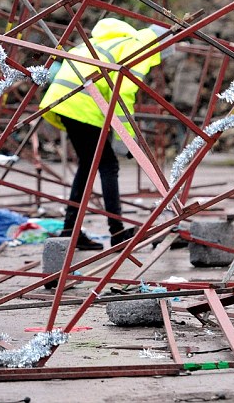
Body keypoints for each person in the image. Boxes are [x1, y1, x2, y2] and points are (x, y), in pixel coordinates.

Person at [39, 18, 168, 250]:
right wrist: (126, 138)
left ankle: (70, 231)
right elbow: (123, 94)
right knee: (108, 166)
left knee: (88, 165)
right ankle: (117, 232)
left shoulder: (108, 41)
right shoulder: (137, 48)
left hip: (63, 101)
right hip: (81, 104)